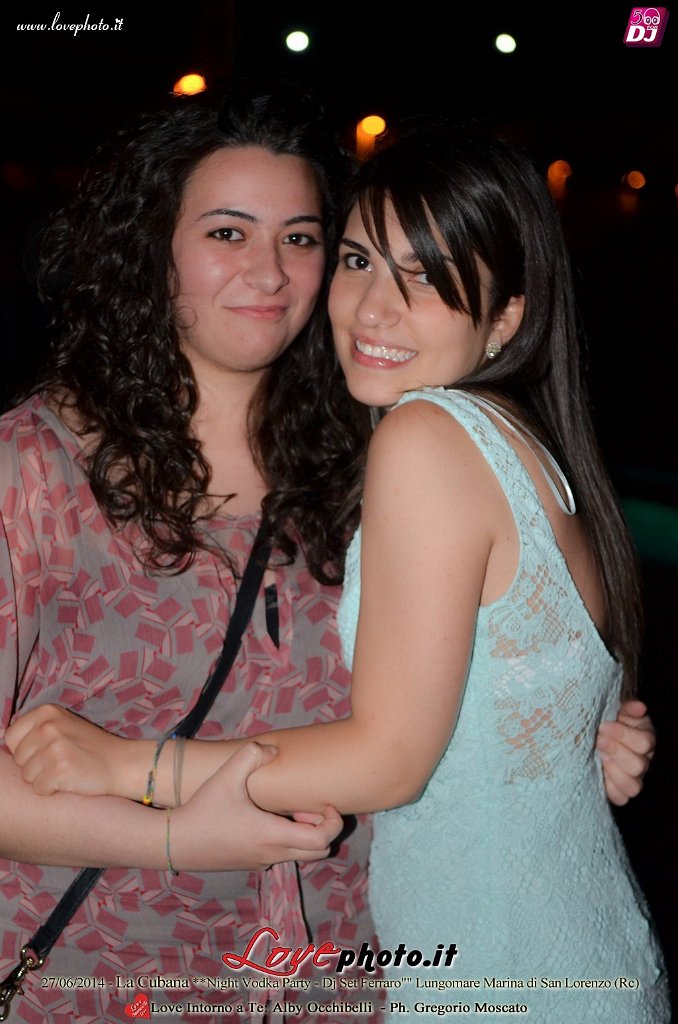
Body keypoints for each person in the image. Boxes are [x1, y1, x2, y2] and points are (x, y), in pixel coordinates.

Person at [1, 89, 659, 1023]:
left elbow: (439, 705)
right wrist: (175, 836)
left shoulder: (376, 449)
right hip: (110, 972)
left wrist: (563, 734)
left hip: (343, 976)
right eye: (228, 233)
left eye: (303, 238)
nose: (269, 271)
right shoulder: (34, 468)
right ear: (151, 247)